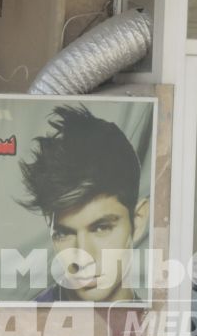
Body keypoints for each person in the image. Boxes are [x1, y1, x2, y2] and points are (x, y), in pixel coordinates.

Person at [19, 104, 150, 303]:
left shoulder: (162, 326)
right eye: (64, 234)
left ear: (138, 221)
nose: (82, 258)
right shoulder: (25, 325)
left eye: (101, 228)